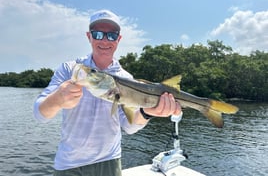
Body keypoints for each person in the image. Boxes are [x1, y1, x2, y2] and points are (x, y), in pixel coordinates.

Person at [33, 9, 181, 176]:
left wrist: (147, 113)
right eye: (98, 34)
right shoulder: (70, 69)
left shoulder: (127, 79)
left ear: (118, 39)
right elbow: (39, 114)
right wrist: (58, 99)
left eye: (111, 35)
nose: (104, 40)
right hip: (68, 164)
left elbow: (129, 127)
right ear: (89, 36)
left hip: (109, 161)